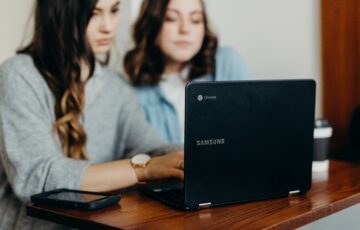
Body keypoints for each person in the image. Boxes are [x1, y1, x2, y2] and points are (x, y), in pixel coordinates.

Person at [0, 0, 184, 229]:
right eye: (94, 13)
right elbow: (37, 178)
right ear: (60, 14)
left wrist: (192, 155)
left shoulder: (117, 88)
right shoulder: (19, 75)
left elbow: (152, 146)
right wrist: (144, 170)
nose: (108, 26)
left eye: (114, 10)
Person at [124, 0, 253, 144]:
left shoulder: (226, 63)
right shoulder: (131, 93)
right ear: (151, 23)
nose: (185, 29)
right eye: (171, 18)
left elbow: (255, 130)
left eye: (195, 20)